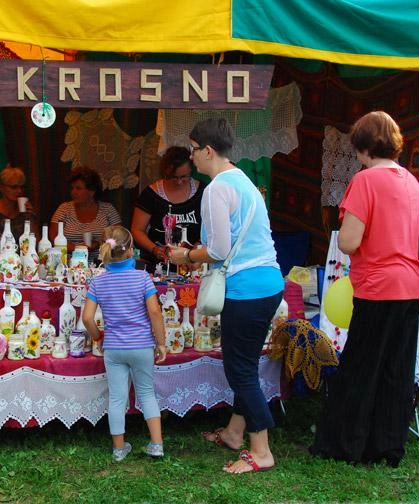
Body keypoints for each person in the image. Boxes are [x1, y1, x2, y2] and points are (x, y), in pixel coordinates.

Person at [309, 111, 419, 468]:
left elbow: (348, 241)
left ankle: (345, 444)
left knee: (361, 366)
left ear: (362, 147)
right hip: (413, 284)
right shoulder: (410, 180)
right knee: (397, 368)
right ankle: (388, 445)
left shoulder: (365, 181)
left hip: (379, 285)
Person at [169, 118, 283, 474]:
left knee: (240, 370)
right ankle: (235, 433)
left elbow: (218, 249)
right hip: (267, 283)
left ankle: (261, 449)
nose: (190, 158)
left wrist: (185, 256)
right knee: (245, 363)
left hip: (247, 289)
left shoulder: (218, 187)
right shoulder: (243, 180)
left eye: (192, 149)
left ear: (207, 150)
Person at [82, 225, 167, 461]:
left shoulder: (98, 283)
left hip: (114, 348)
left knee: (118, 398)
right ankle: (156, 444)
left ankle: (119, 449)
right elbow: (155, 313)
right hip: (141, 346)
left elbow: (87, 317)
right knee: (147, 394)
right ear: (131, 251)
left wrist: (98, 336)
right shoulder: (142, 278)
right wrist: (160, 343)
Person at [131, 146, 206, 267]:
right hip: (160, 265)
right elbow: (137, 229)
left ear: (191, 171)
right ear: (165, 173)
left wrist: (198, 247)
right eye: (174, 177)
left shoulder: (203, 191)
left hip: (193, 264)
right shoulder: (151, 194)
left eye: (184, 177)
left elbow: (211, 228)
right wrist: (155, 249)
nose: (179, 182)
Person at [50, 166, 121, 261]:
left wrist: (99, 244)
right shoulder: (64, 209)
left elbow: (119, 237)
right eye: (72, 188)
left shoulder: (108, 209)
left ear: (92, 192)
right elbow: (53, 237)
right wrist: (77, 248)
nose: (73, 192)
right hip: (69, 264)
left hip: (101, 264)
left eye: (78, 188)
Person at [0, 165, 39, 245]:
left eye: (22, 187)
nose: (19, 191)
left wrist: (30, 217)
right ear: (1, 187)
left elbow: (38, 243)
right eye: (14, 187)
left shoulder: (26, 211)